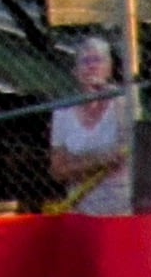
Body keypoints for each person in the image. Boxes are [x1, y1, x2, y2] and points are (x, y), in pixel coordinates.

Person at [51, 35, 136, 211]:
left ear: (109, 68)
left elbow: (125, 154)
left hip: (121, 205)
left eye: (98, 60)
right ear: (75, 71)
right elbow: (58, 170)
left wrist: (77, 164)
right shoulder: (63, 112)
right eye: (85, 61)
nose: (92, 66)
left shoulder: (123, 102)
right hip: (81, 207)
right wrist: (101, 161)